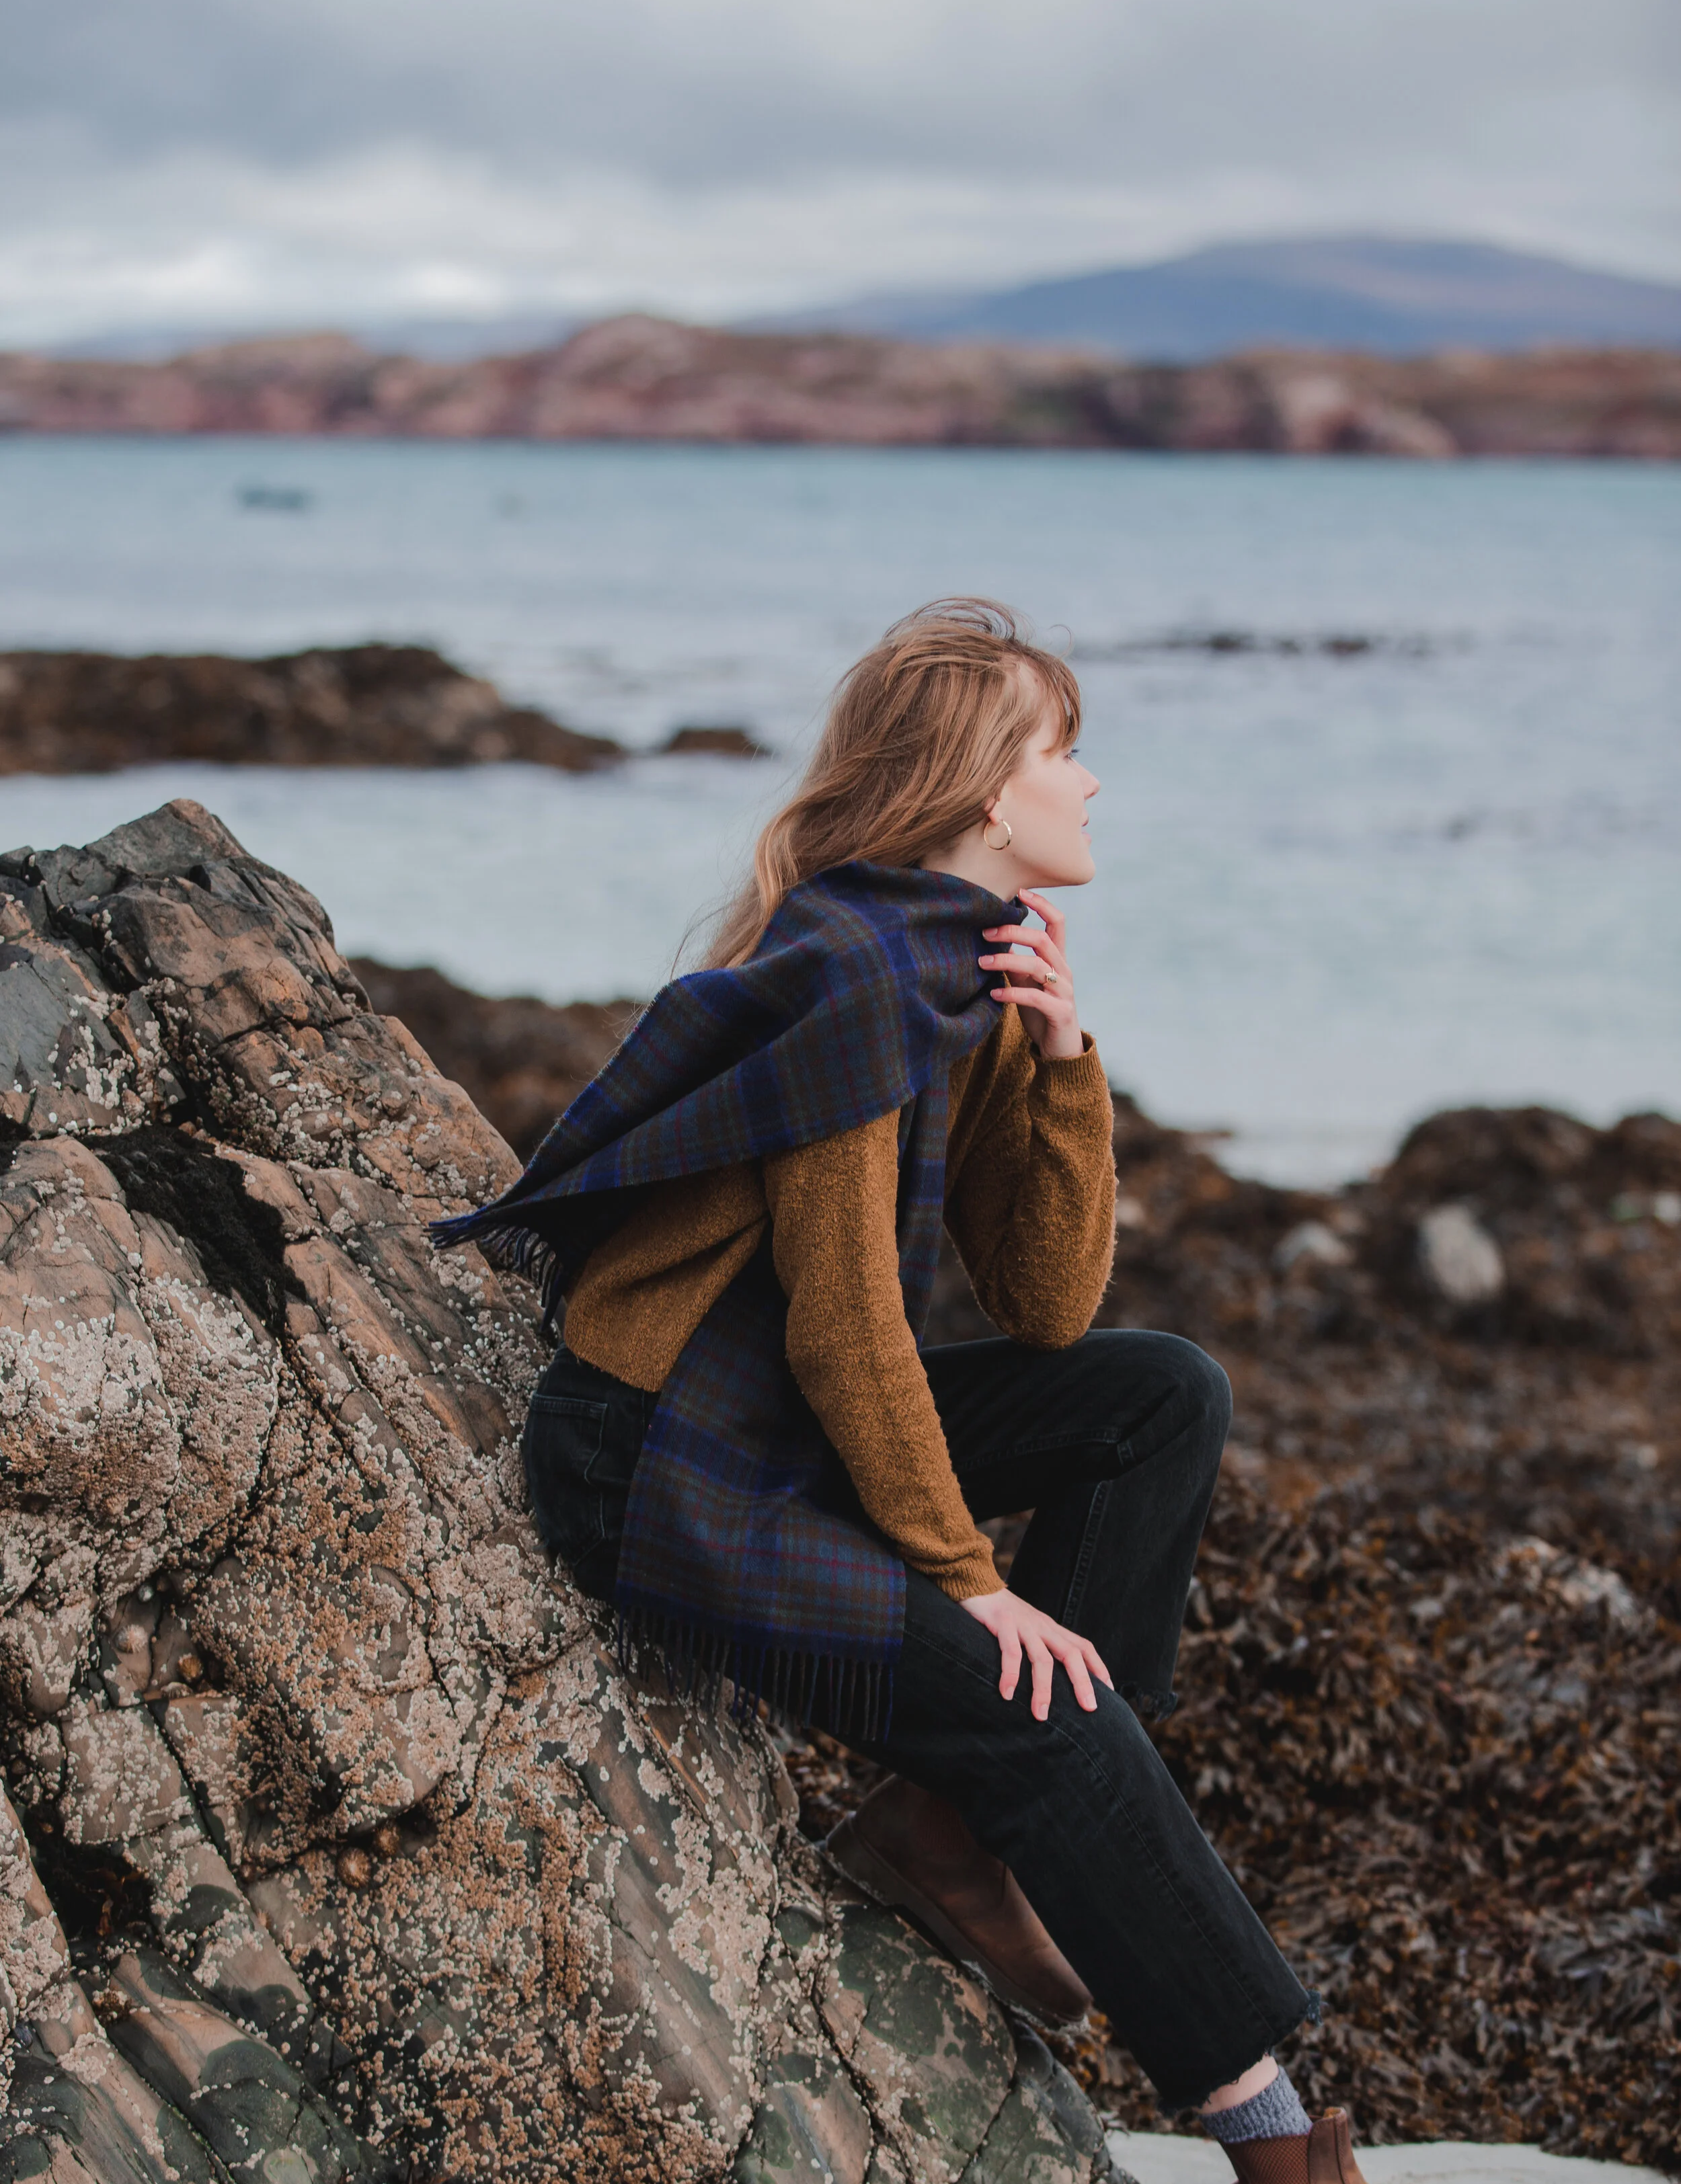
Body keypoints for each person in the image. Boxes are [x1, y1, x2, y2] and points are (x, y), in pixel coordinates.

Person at [434, 600, 1367, 2181]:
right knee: (1044, 1705)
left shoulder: (957, 974)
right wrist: (963, 1579)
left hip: (771, 1421)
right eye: (1065, 751)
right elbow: (846, 1319)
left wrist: (1063, 1063)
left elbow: (1045, 1302)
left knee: (1159, 1395)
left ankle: (942, 1828)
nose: (1091, 785)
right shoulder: (861, 977)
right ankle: (1273, 2142)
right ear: (992, 793)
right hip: (664, 1453)